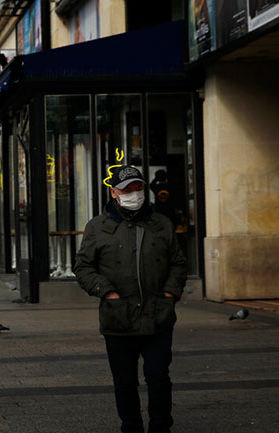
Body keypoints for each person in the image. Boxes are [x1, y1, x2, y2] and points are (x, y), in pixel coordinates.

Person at [73, 165, 187, 433]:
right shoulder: (97, 227)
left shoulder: (162, 224)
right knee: (124, 382)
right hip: (118, 318)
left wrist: (169, 294)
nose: (134, 194)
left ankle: (161, 427)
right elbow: (83, 267)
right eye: (126, 190)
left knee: (158, 377)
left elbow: (178, 263)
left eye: (138, 188)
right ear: (114, 193)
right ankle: (131, 427)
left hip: (158, 316)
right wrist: (107, 292)